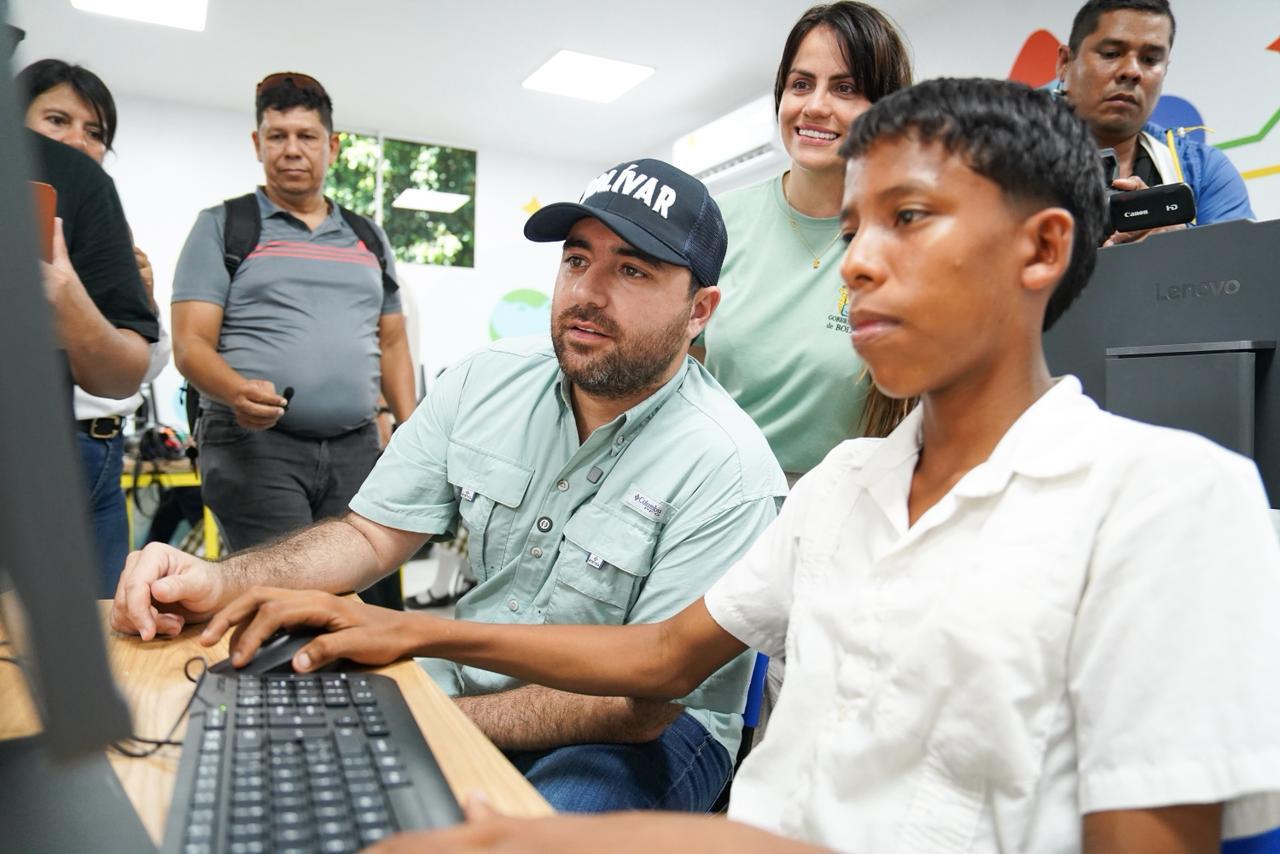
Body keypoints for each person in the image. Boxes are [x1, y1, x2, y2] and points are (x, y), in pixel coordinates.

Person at [193, 79, 1280, 852]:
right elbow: (661, 654)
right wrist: (420, 632)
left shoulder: (1171, 503)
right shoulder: (843, 488)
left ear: (1040, 248)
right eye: (852, 229)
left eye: (906, 219)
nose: (855, 264)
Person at [113, 157, 787, 814]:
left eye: (632, 270)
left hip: (650, 730)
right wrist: (218, 581)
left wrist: (429, 718)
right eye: (577, 260)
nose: (588, 293)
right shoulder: (485, 380)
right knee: (272, 755)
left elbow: (640, 703)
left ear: (699, 310)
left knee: (517, 834)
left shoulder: (728, 467)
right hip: (475, 679)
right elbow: (370, 536)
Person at [170, 72, 414, 607]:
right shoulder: (224, 225)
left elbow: (393, 343)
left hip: (356, 447)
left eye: (306, 136)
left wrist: (411, 429)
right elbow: (189, 345)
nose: (291, 150)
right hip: (254, 446)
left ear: (333, 146)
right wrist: (235, 390)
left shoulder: (368, 236)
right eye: (277, 136)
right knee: (288, 604)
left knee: (369, 605)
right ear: (257, 144)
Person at [694, 1, 914, 481]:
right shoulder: (719, 220)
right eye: (800, 84)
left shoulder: (907, 240)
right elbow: (679, 374)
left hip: (844, 498)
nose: (815, 106)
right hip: (717, 491)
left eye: (845, 88)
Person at [21, 58, 171, 595]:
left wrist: (144, 304)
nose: (78, 142)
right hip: (36, 448)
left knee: (104, 611)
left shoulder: (111, 239)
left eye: (95, 132)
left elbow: (143, 369)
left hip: (104, 452)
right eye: (57, 120)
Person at [1056, 0, 1254, 245]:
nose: (1132, 71)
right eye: (1111, 54)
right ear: (1065, 62)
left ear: (1165, 69)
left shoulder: (1205, 172)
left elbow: (1243, 264)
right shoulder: (1012, 159)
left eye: (1150, 59)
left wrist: (1181, 243)